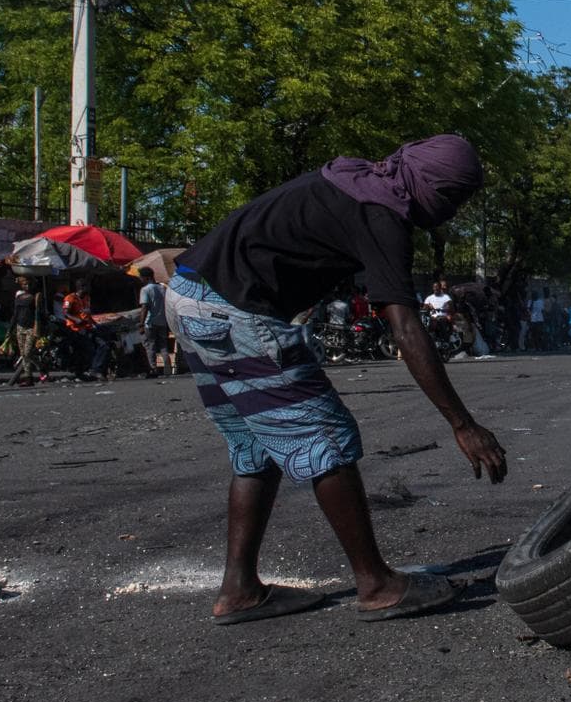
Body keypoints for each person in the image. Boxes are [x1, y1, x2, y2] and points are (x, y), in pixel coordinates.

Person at [169, 134, 505, 624]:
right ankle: (376, 583)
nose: (451, 212)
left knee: (258, 448)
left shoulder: (355, 183)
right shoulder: (381, 211)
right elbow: (405, 328)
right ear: (428, 182)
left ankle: (240, 590)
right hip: (234, 311)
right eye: (451, 197)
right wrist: (462, 423)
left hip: (187, 294)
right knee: (327, 436)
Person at [63, 279, 103, 381]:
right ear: (82, 287)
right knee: (86, 349)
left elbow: (87, 313)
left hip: (87, 327)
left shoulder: (87, 298)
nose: (89, 289)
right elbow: (65, 313)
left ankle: (93, 370)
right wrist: (76, 319)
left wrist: (94, 324)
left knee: (101, 345)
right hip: (75, 329)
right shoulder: (70, 298)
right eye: (87, 286)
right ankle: (83, 371)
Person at [5, 276, 42, 387]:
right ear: (22, 285)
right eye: (25, 284)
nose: (28, 286)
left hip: (32, 327)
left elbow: (39, 313)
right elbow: (15, 314)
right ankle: (29, 377)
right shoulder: (19, 297)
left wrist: (41, 328)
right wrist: (10, 328)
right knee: (23, 354)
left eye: (29, 284)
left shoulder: (36, 296)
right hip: (20, 327)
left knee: (27, 353)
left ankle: (38, 369)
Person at [138, 270, 172, 377]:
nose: (140, 280)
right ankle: (168, 369)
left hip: (150, 323)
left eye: (141, 277)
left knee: (150, 346)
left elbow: (145, 307)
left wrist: (141, 324)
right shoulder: (163, 288)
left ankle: (153, 369)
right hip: (163, 322)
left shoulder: (145, 289)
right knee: (164, 346)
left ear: (147, 277)